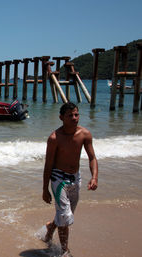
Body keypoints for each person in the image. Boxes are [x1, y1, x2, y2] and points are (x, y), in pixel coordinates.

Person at [41, 102, 98, 256]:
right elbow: (48, 165)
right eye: (70, 115)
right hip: (58, 178)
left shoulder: (85, 134)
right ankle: (65, 252)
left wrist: (94, 177)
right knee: (65, 217)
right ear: (61, 118)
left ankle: (50, 227)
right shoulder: (54, 138)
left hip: (75, 178)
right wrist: (45, 189)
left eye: (76, 114)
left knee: (65, 215)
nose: (74, 118)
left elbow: (92, 157)